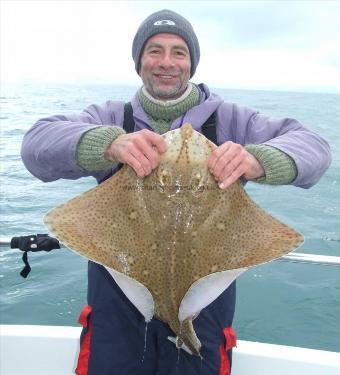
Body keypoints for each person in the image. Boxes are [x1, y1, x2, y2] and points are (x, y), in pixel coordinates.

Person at [21, 9, 331, 375]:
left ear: (191, 63)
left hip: (203, 309)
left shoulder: (233, 120)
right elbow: (35, 145)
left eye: (178, 52)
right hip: (117, 311)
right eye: (154, 51)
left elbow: (315, 148)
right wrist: (107, 143)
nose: (166, 62)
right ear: (139, 62)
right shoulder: (110, 117)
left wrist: (259, 159)